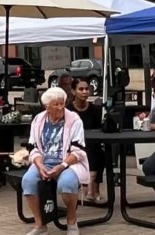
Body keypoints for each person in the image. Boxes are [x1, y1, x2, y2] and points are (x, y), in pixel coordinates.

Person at [22, 87, 88, 235]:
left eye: (62, 103)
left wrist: (61, 166)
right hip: (43, 162)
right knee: (28, 181)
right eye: (56, 104)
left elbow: (78, 150)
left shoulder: (74, 119)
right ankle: (40, 225)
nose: (61, 107)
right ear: (47, 107)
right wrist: (39, 165)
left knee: (67, 183)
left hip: (67, 163)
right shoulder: (38, 119)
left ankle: (72, 221)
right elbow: (33, 147)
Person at [67, 78, 103, 201]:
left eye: (87, 89)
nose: (84, 92)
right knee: (85, 149)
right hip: (74, 145)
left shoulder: (96, 110)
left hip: (92, 143)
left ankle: (93, 186)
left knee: (99, 150)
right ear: (73, 91)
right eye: (81, 89)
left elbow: (99, 129)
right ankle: (91, 187)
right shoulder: (68, 110)